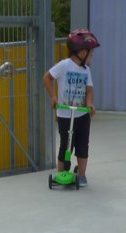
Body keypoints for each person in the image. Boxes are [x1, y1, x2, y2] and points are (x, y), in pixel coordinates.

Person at [43, 29, 99, 187]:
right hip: (65, 114)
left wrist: (89, 104)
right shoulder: (64, 65)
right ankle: (61, 172)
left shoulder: (86, 70)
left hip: (82, 114)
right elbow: (47, 78)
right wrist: (53, 96)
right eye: (91, 53)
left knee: (82, 145)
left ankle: (82, 175)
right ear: (82, 53)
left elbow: (89, 90)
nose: (92, 57)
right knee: (66, 145)